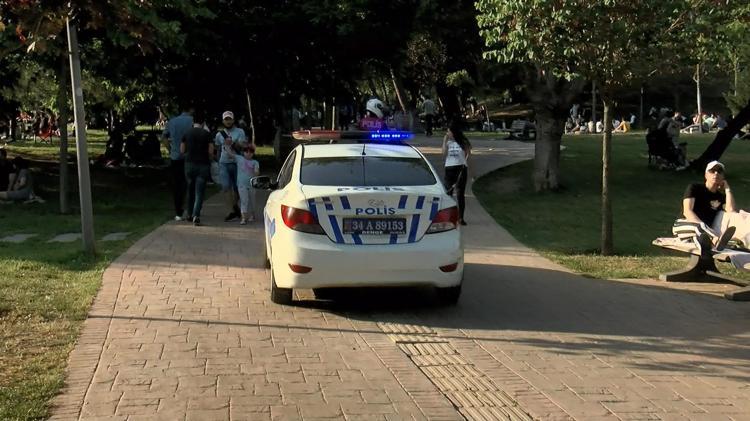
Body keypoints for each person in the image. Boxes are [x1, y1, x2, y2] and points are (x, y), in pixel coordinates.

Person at [672, 161, 741, 254]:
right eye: (712, 171)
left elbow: (731, 210)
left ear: (723, 177)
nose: (716, 173)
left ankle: (711, 244)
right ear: (706, 175)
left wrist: (727, 189)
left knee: (701, 237)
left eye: (719, 171)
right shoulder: (694, 188)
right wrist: (706, 228)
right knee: (701, 227)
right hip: (684, 225)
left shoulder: (720, 197)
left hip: (701, 233)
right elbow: (687, 211)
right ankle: (717, 240)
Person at [181, 112, 214, 226]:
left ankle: (189, 214)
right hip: (203, 164)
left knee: (190, 189)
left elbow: (182, 150)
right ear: (203, 123)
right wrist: (210, 158)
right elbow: (211, 151)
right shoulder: (207, 134)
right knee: (199, 192)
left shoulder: (187, 133)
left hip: (189, 164)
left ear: (193, 122)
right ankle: (196, 215)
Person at [214, 110, 247, 222]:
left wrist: (235, 143)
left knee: (238, 187)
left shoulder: (240, 131)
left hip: (237, 162)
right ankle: (232, 210)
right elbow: (218, 148)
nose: (228, 121)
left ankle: (235, 207)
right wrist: (218, 160)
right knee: (226, 187)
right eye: (226, 119)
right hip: (223, 163)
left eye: (230, 119)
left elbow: (243, 146)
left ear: (233, 120)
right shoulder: (219, 134)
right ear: (223, 121)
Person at [162, 105, 193, 220]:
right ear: (191, 109)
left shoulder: (172, 122)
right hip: (190, 156)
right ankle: (191, 210)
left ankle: (178, 211)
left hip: (175, 157)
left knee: (177, 185)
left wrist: (170, 149)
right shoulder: (192, 121)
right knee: (191, 183)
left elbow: (164, 138)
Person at [442, 121, 471, 226]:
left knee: (460, 194)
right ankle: (448, 217)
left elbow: (468, 153)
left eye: (448, 131)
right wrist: (444, 141)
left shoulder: (463, 141)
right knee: (448, 193)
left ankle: (461, 218)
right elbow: (444, 154)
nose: (447, 133)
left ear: (453, 132)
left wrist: (465, 163)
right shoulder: (448, 142)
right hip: (449, 168)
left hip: (461, 168)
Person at [227, 144, 260, 224]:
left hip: (252, 184)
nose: (248, 153)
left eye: (251, 152)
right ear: (243, 152)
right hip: (242, 184)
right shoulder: (239, 158)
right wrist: (227, 146)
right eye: (246, 151)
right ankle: (244, 218)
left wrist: (256, 173)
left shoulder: (255, 162)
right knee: (244, 200)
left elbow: (257, 172)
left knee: (252, 201)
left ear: (253, 153)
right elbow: (230, 154)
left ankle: (253, 215)